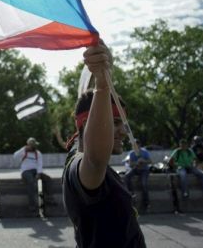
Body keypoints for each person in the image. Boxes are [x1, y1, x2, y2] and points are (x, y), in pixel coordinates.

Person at [62, 41, 146, 248]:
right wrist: (102, 86)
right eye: (115, 122)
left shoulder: (76, 151)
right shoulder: (81, 167)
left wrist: (105, 74)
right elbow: (95, 159)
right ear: (87, 123)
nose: (124, 131)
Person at [13, 137, 43, 212]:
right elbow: (15, 156)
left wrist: (39, 173)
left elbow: (40, 164)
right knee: (31, 182)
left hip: (35, 171)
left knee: (47, 179)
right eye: (32, 146)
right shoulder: (24, 151)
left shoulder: (38, 153)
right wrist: (23, 149)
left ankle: (50, 199)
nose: (34, 147)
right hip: (25, 171)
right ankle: (32, 205)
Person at [123, 139, 152, 209]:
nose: (134, 147)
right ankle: (131, 193)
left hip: (144, 170)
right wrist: (136, 163)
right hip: (135, 169)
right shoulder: (131, 153)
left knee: (144, 184)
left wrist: (143, 161)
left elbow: (150, 161)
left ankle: (146, 202)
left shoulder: (144, 152)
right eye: (133, 145)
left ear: (139, 145)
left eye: (136, 145)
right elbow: (130, 164)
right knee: (127, 176)